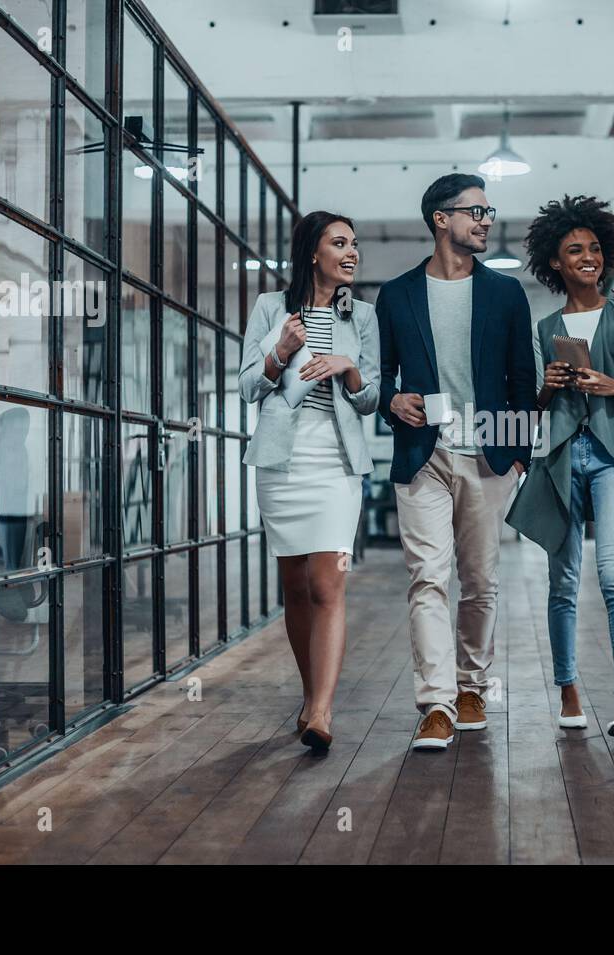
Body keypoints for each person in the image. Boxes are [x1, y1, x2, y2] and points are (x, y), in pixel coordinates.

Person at [377, 173, 536, 751]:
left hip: (488, 455)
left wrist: (518, 454)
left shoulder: (504, 293)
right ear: (441, 219)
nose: (486, 220)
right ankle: (436, 704)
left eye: (488, 211)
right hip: (423, 456)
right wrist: (392, 403)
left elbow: (523, 377)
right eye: (476, 211)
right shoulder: (395, 295)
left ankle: (472, 686)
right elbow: (382, 377)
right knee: (427, 578)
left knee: (480, 582)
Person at [506, 196, 614, 741]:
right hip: (559, 460)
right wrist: (545, 388)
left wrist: (612, 386)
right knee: (563, 581)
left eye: (595, 248)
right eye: (575, 250)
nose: (588, 257)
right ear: (554, 262)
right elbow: (530, 409)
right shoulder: (544, 326)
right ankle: (569, 691)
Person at [239, 211, 380, 755]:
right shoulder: (271, 309)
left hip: (336, 464)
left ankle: (322, 709)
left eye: (355, 243)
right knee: (294, 587)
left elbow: (370, 399)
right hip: (282, 462)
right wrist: (280, 352)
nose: (352, 253)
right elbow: (249, 386)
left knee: (328, 584)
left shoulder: (362, 316)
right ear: (312, 252)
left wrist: (351, 369)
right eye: (340, 243)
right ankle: (308, 695)